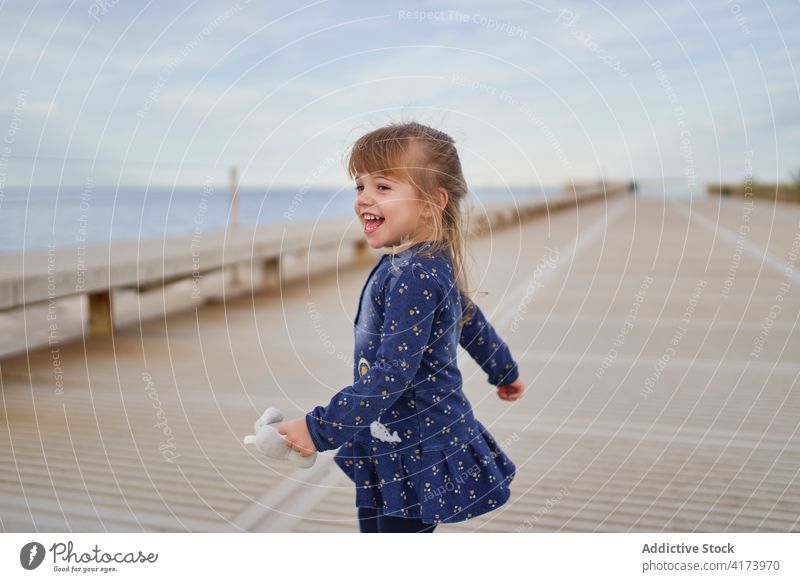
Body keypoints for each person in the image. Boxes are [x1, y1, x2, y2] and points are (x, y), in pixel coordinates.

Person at [277, 121, 525, 533]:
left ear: (432, 202)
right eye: (360, 186)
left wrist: (317, 428)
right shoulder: (421, 260)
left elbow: (392, 374)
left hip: (413, 444)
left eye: (383, 187)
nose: (363, 199)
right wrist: (503, 368)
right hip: (395, 435)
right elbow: (467, 318)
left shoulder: (416, 274)